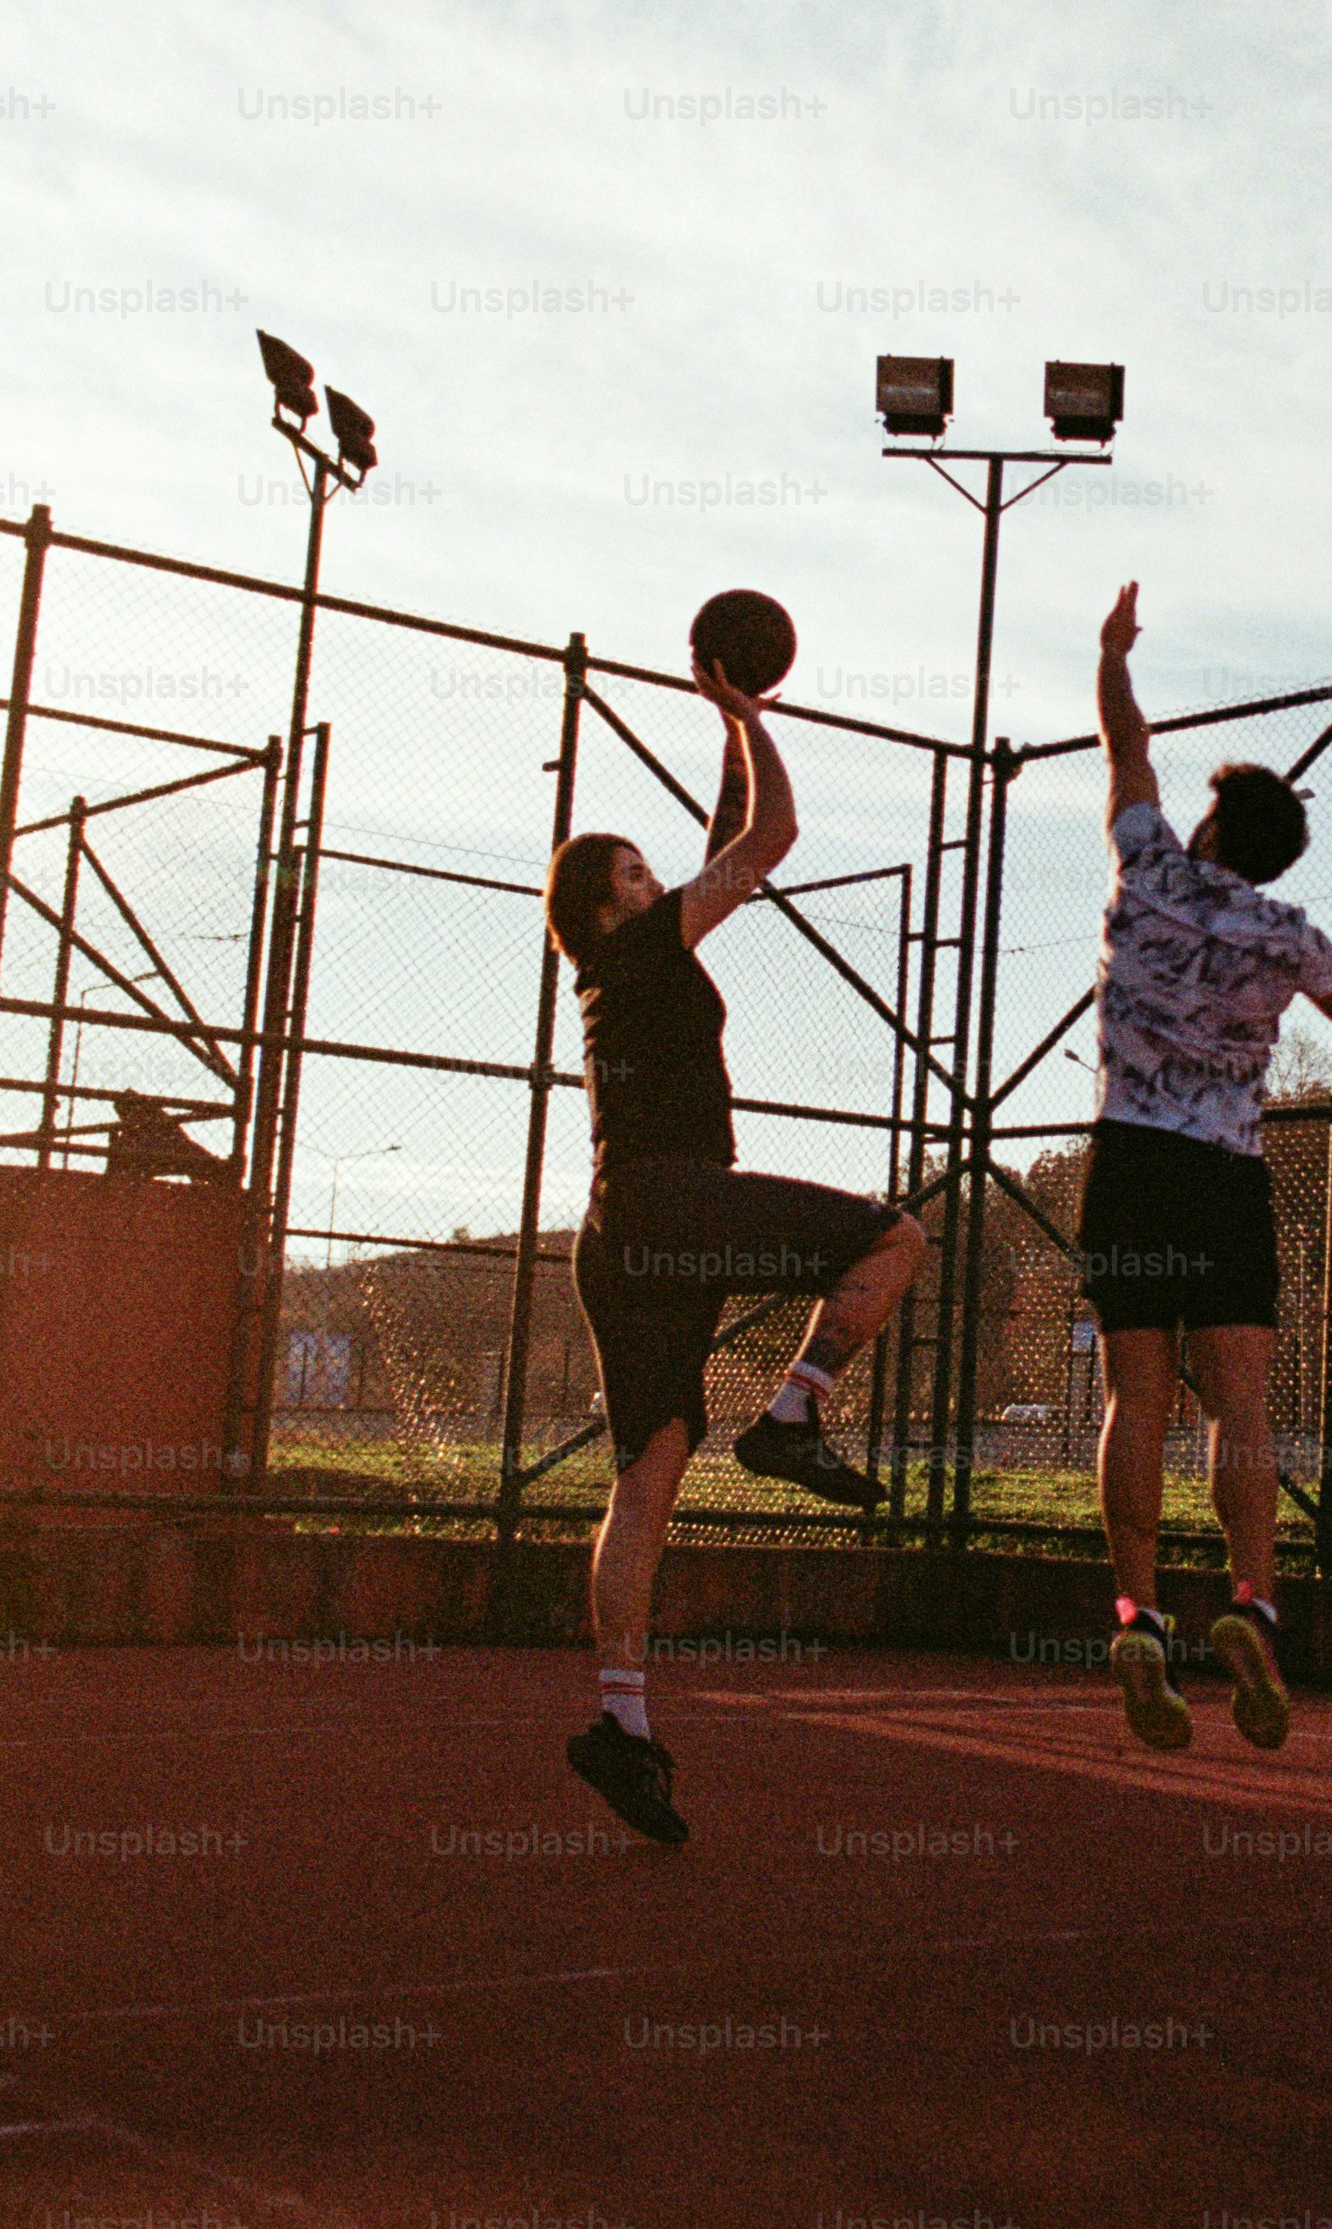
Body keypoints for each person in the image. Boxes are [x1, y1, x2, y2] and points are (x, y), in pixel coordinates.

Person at [546, 652, 929, 1842]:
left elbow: (722, 840)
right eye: (635, 869)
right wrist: (745, 715)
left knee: (645, 1477)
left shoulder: (625, 964)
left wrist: (722, 736)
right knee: (892, 1236)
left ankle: (623, 1721)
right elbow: (770, 836)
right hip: (674, 1202)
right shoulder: (644, 949)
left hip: (617, 1233)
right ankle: (794, 1411)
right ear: (609, 900)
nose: (657, 875)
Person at [1082, 583, 1332, 1752]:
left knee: (1136, 1398)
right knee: (1241, 1400)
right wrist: (1321, 978)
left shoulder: (1147, 868)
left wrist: (1113, 654)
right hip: (1223, 1173)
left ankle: (1138, 1613)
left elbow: (1124, 742)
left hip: (1127, 1162)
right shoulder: (1285, 931)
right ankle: (1252, 1599)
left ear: (1209, 831)